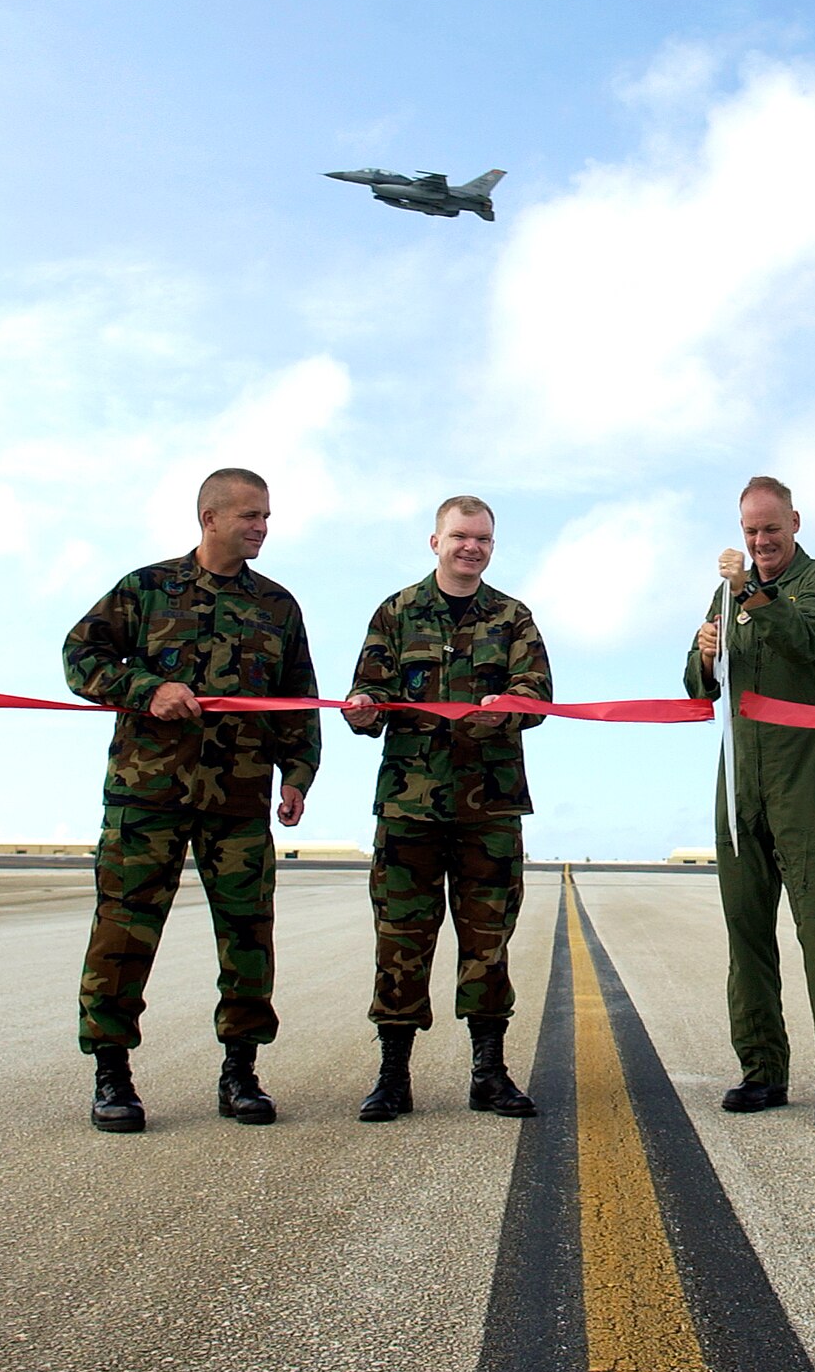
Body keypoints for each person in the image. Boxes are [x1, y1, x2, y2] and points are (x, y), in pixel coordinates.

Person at [64, 468, 320, 1132]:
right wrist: (145, 687)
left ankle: (241, 1072)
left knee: (247, 936)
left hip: (237, 800)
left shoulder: (278, 607)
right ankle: (112, 1074)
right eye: (250, 515)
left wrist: (297, 773)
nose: (262, 527)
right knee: (122, 932)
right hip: (145, 795)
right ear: (209, 518)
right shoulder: (146, 590)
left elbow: (298, 699)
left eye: (266, 516)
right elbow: (81, 658)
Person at [343, 495, 551, 1123]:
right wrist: (364, 708)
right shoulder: (397, 613)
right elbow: (369, 694)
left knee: (488, 941)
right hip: (409, 809)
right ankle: (393, 1076)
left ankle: (489, 1073)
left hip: (488, 810)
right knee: (400, 939)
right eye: (461, 536)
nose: (472, 548)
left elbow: (536, 696)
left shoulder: (513, 618)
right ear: (435, 541)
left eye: (483, 539)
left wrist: (505, 706)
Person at [684, 477, 815, 1128]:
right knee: (747, 935)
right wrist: (703, 656)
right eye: (750, 532)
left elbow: (805, 642)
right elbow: (694, 686)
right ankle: (761, 1070)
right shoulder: (724, 595)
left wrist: (750, 594)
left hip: (807, 785)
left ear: (794, 522)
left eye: (771, 530)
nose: (760, 542)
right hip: (740, 783)